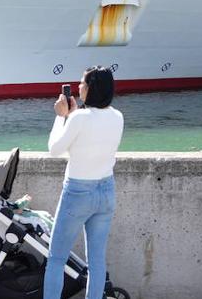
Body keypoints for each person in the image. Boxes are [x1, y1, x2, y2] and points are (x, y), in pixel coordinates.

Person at [44, 66, 124, 299]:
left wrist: (61, 118)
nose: (78, 87)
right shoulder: (118, 116)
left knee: (56, 259)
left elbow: (54, 150)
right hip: (106, 190)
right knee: (97, 260)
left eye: (82, 83)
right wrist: (72, 116)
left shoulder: (78, 118)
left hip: (78, 192)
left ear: (90, 89)